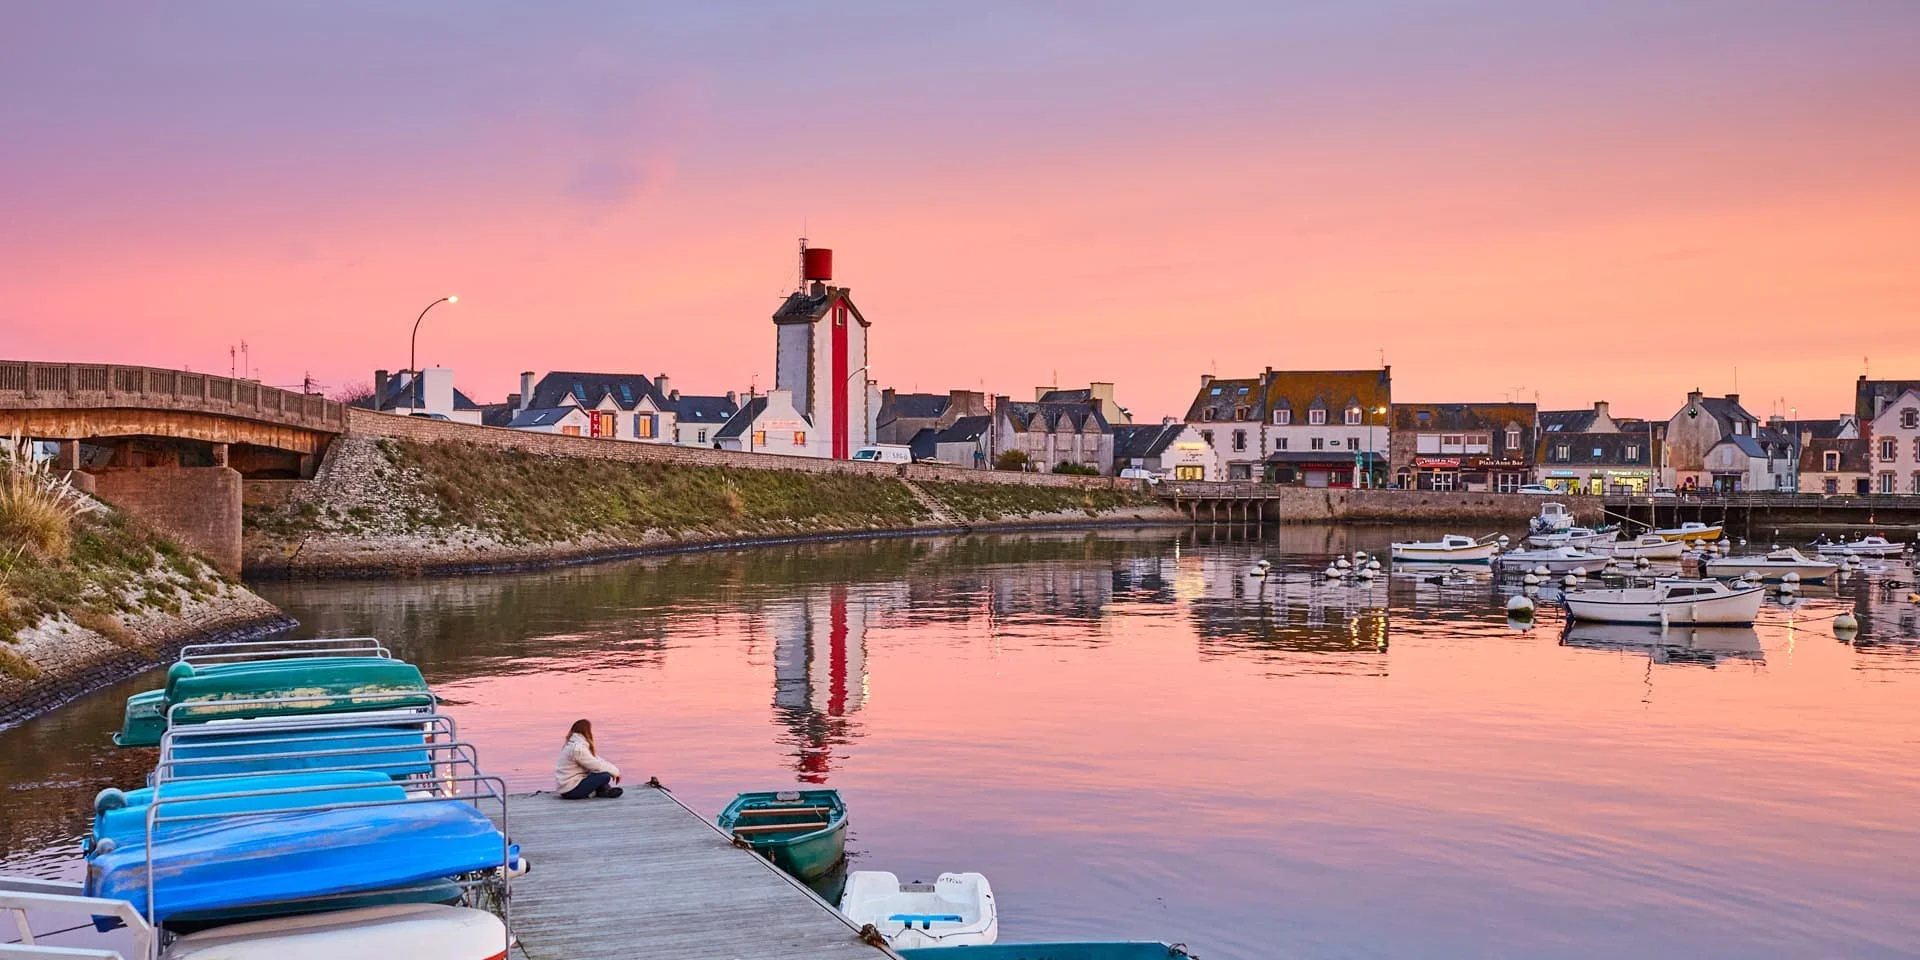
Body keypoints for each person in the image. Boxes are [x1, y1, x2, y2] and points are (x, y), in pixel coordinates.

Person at [554, 719, 623, 799]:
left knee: (598, 773)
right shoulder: (578, 748)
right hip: (571, 790)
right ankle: (602, 791)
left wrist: (614, 770)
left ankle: (604, 790)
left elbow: (596, 760)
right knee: (605, 776)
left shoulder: (573, 744)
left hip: (568, 787)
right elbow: (595, 765)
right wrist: (615, 772)